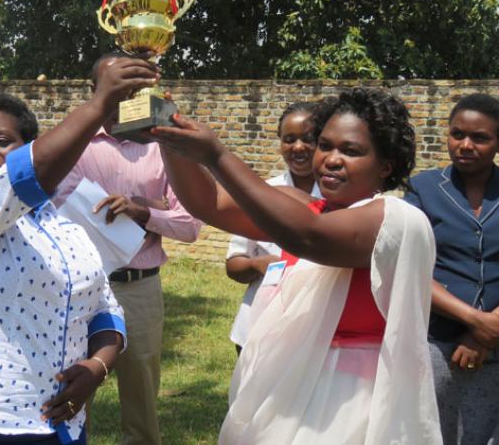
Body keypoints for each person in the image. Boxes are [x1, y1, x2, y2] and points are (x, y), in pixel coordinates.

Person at [150, 88, 442, 444]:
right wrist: (166, 132)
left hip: (349, 401)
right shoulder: (307, 209)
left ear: (386, 165)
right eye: (326, 145)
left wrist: (216, 154)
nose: (331, 159)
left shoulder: (395, 219)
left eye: (351, 151)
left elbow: (308, 238)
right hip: (285, 387)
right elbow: (209, 202)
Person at [0, 54, 157, 445]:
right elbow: (28, 176)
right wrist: (100, 105)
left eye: (2, 141)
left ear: (26, 145)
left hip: (59, 423)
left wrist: (97, 366)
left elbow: (106, 310)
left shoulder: (69, 229)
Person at [53, 53, 201, 445]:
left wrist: (142, 212)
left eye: (135, 88)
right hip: (77, 287)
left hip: (139, 288)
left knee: (141, 399)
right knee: (68, 382)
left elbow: (190, 225)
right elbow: (56, 205)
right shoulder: (70, 142)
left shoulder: (163, 145)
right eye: (116, 86)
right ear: (95, 91)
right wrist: (155, 204)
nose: (126, 96)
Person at [404, 93, 499, 444]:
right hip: (438, 342)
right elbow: (410, 269)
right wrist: (476, 322)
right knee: (434, 434)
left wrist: (490, 331)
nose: (465, 145)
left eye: (480, 138)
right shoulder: (422, 190)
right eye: (457, 134)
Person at [224, 102, 318, 354]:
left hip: (315, 328)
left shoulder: (341, 198)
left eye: (308, 139)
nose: (298, 147)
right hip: (258, 327)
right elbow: (233, 265)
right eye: (289, 139)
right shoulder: (261, 193)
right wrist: (257, 264)